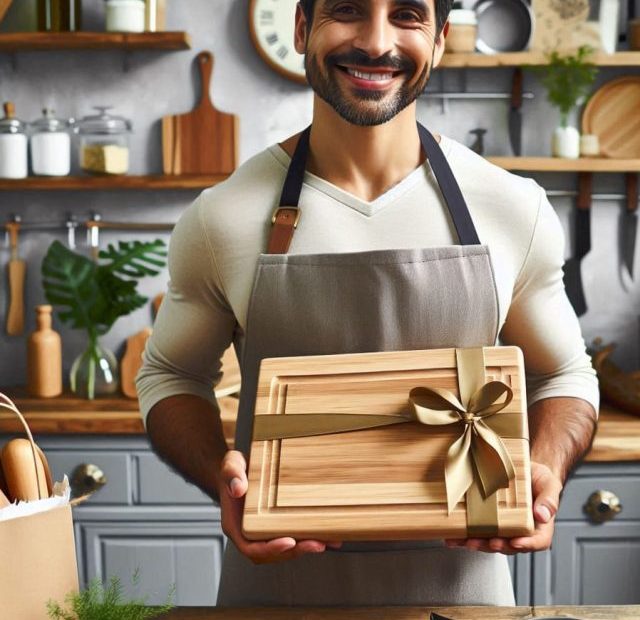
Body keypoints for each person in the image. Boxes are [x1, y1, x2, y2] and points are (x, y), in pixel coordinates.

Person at [136, 0, 599, 606]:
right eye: (349, 10)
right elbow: (170, 374)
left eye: (406, 15)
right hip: (277, 595)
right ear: (303, 28)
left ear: (438, 41)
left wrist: (544, 469)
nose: (376, 43)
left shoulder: (512, 208)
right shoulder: (222, 217)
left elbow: (564, 373)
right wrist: (221, 477)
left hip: (461, 596)